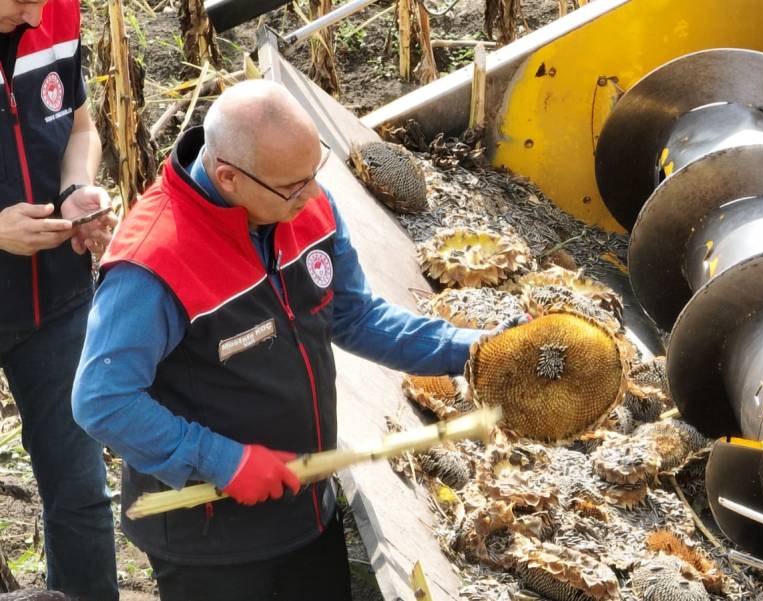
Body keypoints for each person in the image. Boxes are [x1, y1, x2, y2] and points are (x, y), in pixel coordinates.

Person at [72, 80, 496, 600]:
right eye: (294, 186)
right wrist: (224, 461)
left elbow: (355, 316)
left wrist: (473, 350)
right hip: (212, 539)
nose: (314, 195)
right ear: (228, 176)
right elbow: (102, 401)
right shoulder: (153, 263)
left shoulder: (302, 204)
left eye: (313, 173)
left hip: (306, 509)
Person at [0, 0, 118, 598]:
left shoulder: (55, 12)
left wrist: (77, 190)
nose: (37, 10)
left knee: (80, 494)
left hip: (57, 303)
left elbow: (80, 126)